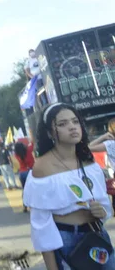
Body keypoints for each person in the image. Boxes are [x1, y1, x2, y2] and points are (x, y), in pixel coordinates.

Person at [23, 103, 114, 270]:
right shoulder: (43, 168)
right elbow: (41, 225)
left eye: (75, 121)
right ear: (50, 132)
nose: (72, 127)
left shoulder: (87, 160)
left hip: (97, 235)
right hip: (67, 241)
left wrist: (101, 212)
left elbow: (103, 205)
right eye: (62, 124)